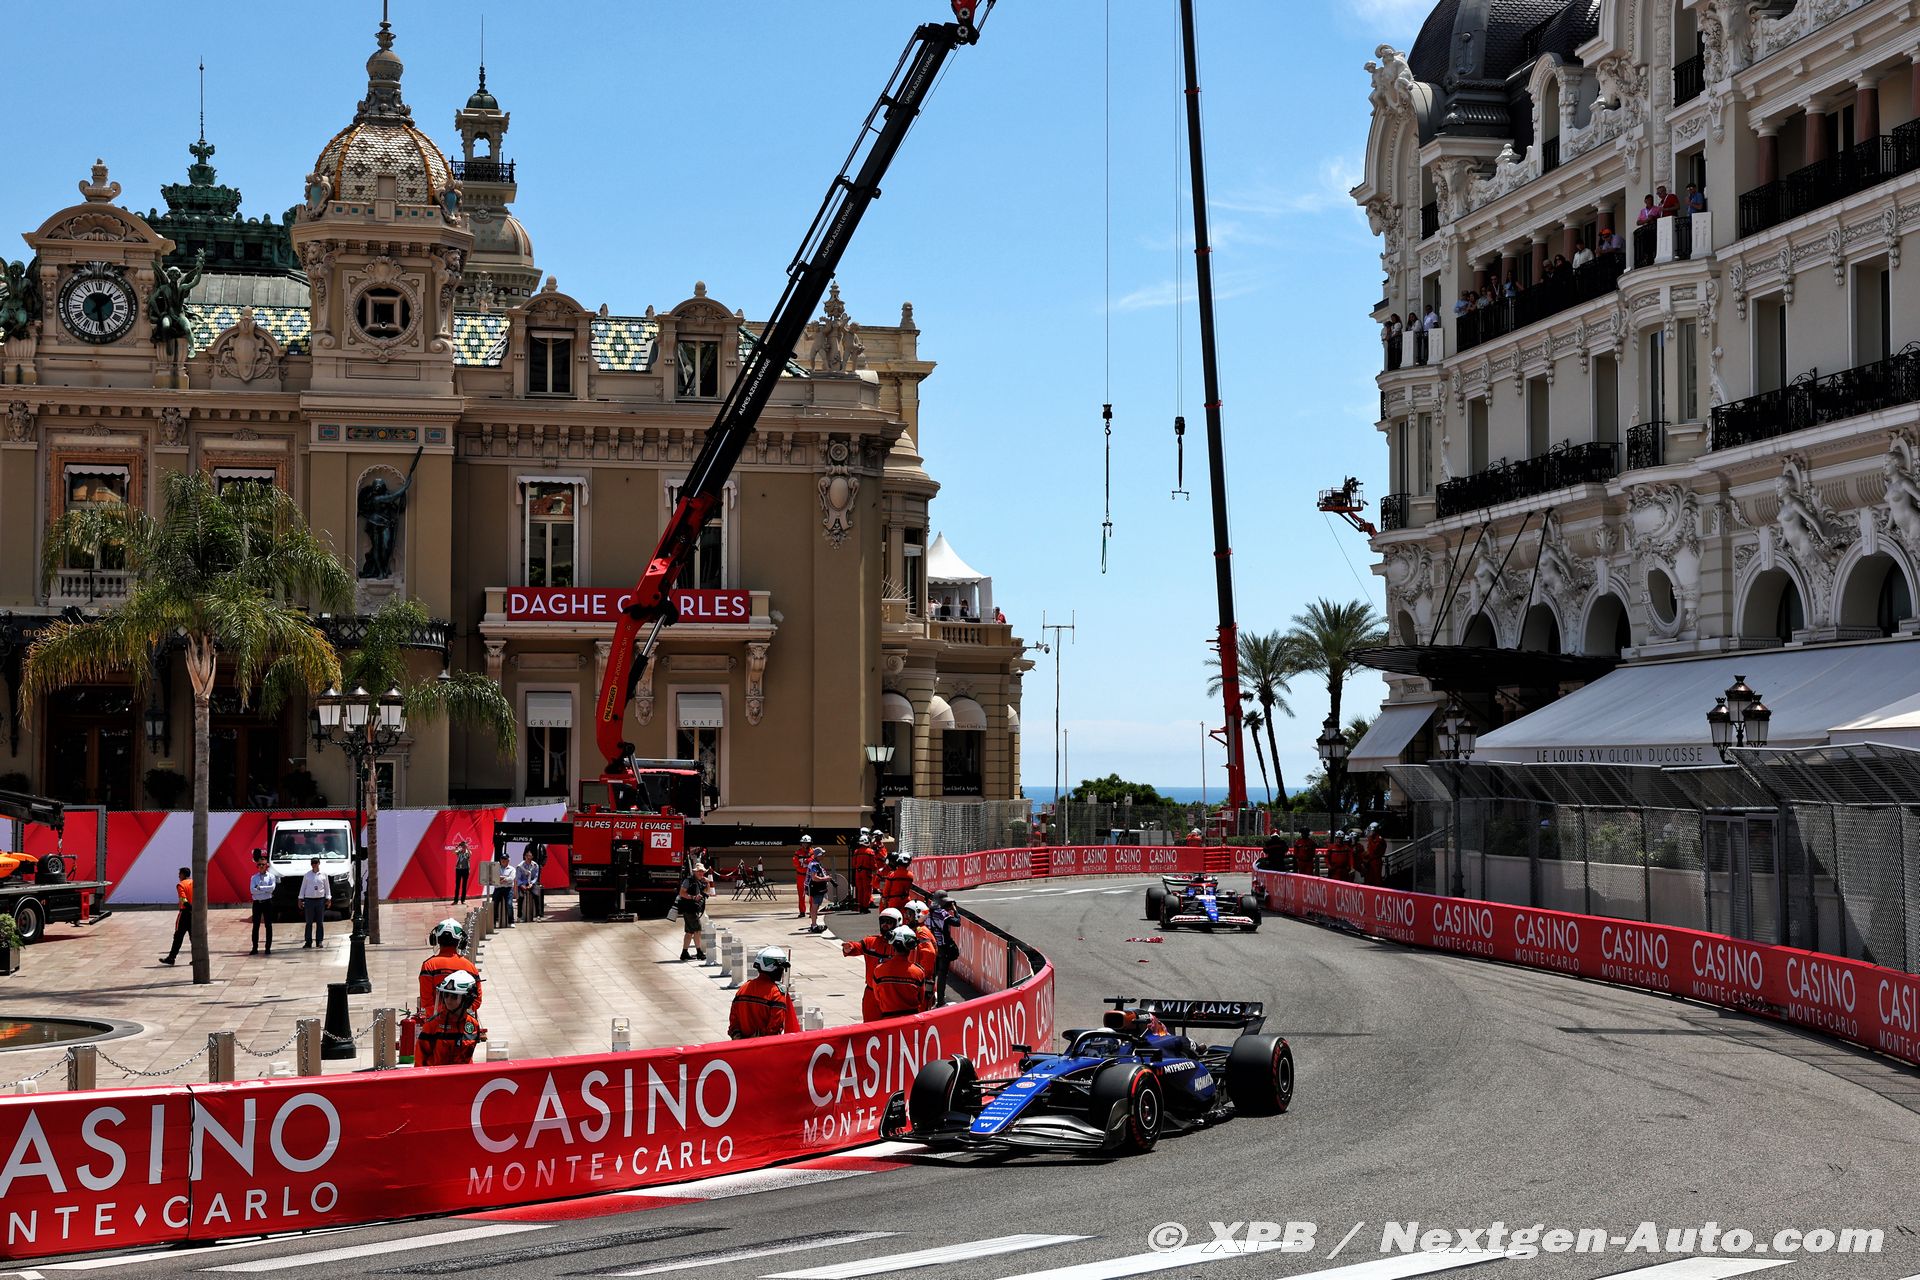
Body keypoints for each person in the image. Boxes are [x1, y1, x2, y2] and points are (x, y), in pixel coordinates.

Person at [842, 907, 904, 1021]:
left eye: (889, 922)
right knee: (870, 1026)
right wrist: (849, 947)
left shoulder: (902, 945)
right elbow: (857, 947)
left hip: (892, 993)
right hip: (871, 994)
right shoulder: (871, 942)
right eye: (882, 922)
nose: (885, 925)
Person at [729, 947, 801, 1038]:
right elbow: (774, 1028)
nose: (782, 972)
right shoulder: (776, 993)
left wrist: (740, 1039)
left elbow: (733, 1022)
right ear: (775, 969)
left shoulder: (743, 988)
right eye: (781, 968)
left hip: (741, 1045)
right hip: (763, 1045)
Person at [416, 970, 483, 1067]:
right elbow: (419, 1061)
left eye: (454, 996)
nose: (448, 1000)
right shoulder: (432, 1025)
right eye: (446, 995)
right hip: (437, 1075)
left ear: (467, 999)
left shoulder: (473, 1024)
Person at [418, 918, 482, 1013]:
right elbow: (477, 1001)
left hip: (436, 1020)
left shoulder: (429, 966)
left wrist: (443, 1015)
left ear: (435, 939)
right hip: (463, 1020)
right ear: (461, 942)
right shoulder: (470, 967)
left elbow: (426, 1002)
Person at [871, 927, 928, 1020]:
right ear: (911, 947)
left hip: (888, 1021)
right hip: (911, 1022)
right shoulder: (918, 972)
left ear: (892, 945)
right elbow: (921, 999)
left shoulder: (879, 970)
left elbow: (877, 997)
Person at [927, 892, 963, 1005]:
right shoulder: (942, 913)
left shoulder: (927, 912)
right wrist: (955, 910)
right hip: (943, 948)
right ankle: (941, 1001)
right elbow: (957, 922)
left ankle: (929, 999)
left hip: (931, 946)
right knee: (942, 974)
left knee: (932, 974)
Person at [158, 865, 193, 966]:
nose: (178, 876)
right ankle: (197, 958)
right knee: (194, 937)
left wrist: (189, 907)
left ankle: (171, 958)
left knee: (178, 936)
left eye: (179, 874)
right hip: (194, 914)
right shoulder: (195, 883)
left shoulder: (180, 885)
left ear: (183, 874)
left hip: (184, 913)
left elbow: (183, 899)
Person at [677, 859, 710, 961]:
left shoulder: (700, 882)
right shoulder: (688, 881)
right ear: (695, 872)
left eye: (702, 871)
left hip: (692, 909)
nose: (701, 873)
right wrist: (693, 897)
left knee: (689, 932)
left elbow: (707, 892)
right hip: (689, 909)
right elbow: (681, 893)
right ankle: (699, 952)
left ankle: (684, 953)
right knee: (697, 930)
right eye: (699, 871)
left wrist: (707, 883)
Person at [902, 898, 938, 976]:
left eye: (909, 914)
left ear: (918, 915)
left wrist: (921, 974)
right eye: (906, 914)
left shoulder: (921, 932)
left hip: (919, 977)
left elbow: (929, 954)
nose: (906, 917)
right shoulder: (918, 930)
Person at [300, 856, 330, 948]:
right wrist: (300, 898)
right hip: (309, 900)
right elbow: (303, 887)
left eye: (315, 863)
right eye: (312, 863)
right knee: (309, 922)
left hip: (320, 900)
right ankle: (308, 941)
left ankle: (319, 941)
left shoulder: (324, 875)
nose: (314, 865)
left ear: (319, 863)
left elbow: (327, 887)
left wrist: (328, 898)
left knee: (320, 922)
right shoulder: (307, 875)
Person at [805, 846, 832, 932]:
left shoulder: (816, 863)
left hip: (817, 887)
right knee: (815, 906)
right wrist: (825, 879)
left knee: (815, 906)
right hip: (815, 888)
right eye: (822, 854)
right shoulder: (814, 864)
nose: (823, 856)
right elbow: (814, 878)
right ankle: (814, 925)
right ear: (818, 855)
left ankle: (814, 924)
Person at [491, 850, 515, 929]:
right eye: (502, 859)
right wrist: (504, 878)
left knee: (509, 904)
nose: (503, 860)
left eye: (505, 859)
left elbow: (511, 879)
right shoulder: (496, 868)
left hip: (508, 889)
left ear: (508, 860)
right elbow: (494, 877)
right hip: (498, 888)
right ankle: (493, 922)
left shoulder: (512, 869)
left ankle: (511, 921)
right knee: (494, 904)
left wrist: (502, 879)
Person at [851, 836, 876, 913]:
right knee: (867, 890)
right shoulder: (870, 851)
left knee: (860, 890)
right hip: (866, 873)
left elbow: (853, 864)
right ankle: (865, 907)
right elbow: (873, 864)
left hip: (858, 872)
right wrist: (875, 870)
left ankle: (861, 906)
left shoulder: (856, 851)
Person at [791, 835, 813, 919]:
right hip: (800, 876)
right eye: (803, 843)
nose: (805, 845)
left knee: (812, 895)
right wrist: (805, 862)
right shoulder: (797, 852)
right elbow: (795, 863)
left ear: (810, 843)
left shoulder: (812, 851)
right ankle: (802, 912)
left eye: (807, 843)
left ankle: (812, 911)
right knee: (801, 895)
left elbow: (813, 860)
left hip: (810, 876)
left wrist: (804, 861)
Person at [451, 837, 472, 905]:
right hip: (458, 869)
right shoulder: (459, 852)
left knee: (464, 885)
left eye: (464, 846)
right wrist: (457, 847)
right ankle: (456, 900)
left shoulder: (467, 852)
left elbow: (470, 854)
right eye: (462, 846)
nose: (463, 847)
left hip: (465, 870)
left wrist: (467, 848)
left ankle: (463, 900)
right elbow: (453, 852)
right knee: (457, 885)